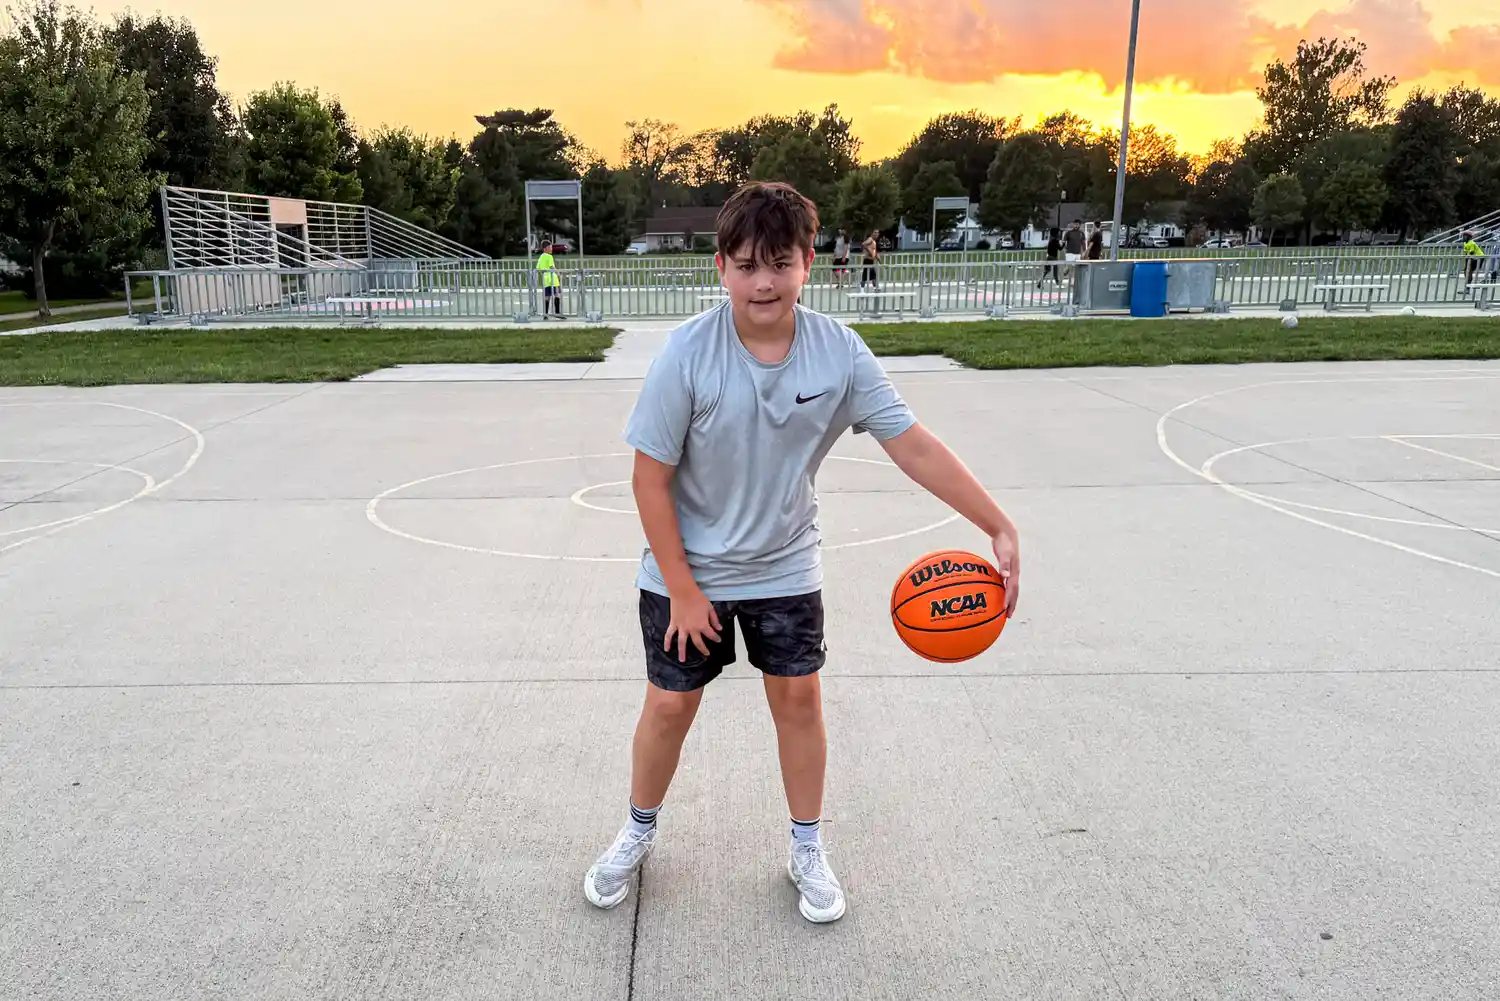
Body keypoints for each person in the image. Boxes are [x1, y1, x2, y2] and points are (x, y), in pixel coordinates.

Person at [582, 181, 1022, 924]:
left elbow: (910, 444)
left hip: (784, 562)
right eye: (747, 264)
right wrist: (686, 591)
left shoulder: (837, 352)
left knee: (799, 700)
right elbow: (648, 479)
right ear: (720, 267)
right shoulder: (688, 354)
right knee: (668, 705)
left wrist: (997, 523)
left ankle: (807, 847)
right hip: (686, 569)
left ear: (808, 263)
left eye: (779, 263)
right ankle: (637, 829)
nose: (763, 281)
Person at [536, 241, 562, 318]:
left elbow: (538, 268)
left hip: (546, 280)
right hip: (553, 279)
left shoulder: (541, 257)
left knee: (547, 296)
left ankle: (545, 314)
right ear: (546, 248)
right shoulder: (549, 257)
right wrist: (558, 273)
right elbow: (551, 266)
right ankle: (557, 312)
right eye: (550, 247)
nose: (552, 249)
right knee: (557, 294)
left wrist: (543, 274)